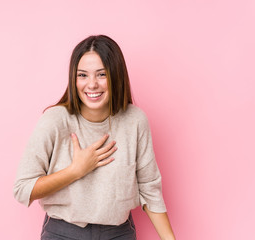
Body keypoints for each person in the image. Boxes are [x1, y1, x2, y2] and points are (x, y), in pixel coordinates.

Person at [13, 35, 175, 240]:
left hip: (118, 233)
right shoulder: (55, 120)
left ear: (116, 76)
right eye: (82, 75)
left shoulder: (135, 120)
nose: (91, 84)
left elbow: (150, 189)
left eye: (101, 75)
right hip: (64, 233)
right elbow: (22, 189)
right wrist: (75, 170)